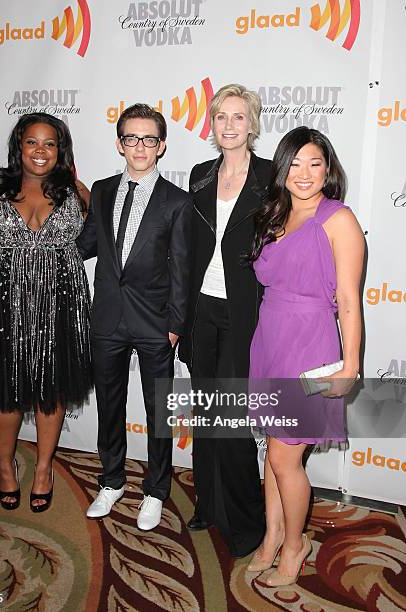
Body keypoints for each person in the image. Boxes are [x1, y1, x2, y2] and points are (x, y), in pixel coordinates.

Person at [247, 126, 364, 586]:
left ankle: (295, 545)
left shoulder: (339, 219)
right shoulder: (274, 215)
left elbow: (350, 300)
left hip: (311, 346)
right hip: (270, 340)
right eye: (294, 163)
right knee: (274, 456)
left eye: (315, 163)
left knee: (284, 459)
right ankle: (274, 535)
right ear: (282, 168)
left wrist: (349, 364)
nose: (304, 173)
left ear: (328, 169)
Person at [0, 112, 92, 513]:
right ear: (19, 146)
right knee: (4, 394)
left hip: (60, 306)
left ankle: (43, 470)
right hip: (3, 308)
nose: (40, 151)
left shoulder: (76, 191)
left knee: (51, 391)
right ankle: (5, 468)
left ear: (60, 151)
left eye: (50, 143)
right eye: (32, 142)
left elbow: (111, 237)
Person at [76, 103, 192, 531]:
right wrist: (47, 235)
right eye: (131, 138)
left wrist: (175, 324)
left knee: (158, 410)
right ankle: (111, 480)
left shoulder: (177, 201)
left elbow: (181, 267)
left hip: (155, 323)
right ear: (119, 143)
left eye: (148, 139)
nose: (139, 146)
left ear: (161, 146)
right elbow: (88, 242)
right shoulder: (102, 190)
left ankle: (157, 490)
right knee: (110, 403)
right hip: (106, 317)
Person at [178, 84, 270, 557]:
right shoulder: (200, 175)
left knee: (232, 417)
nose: (229, 126)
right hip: (202, 311)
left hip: (244, 312)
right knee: (206, 410)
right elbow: (189, 248)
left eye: (238, 117)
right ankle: (208, 505)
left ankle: (247, 524)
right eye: (221, 117)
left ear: (252, 124)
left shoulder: (272, 176)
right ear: (211, 125)